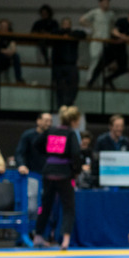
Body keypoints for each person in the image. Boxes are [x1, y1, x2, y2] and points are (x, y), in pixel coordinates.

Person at [32, 106, 83, 250]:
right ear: (73, 120)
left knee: (45, 205)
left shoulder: (51, 130)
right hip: (64, 174)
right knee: (68, 207)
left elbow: (36, 143)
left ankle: (38, 236)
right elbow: (76, 154)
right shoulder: (70, 133)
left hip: (48, 171)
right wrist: (76, 171)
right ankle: (65, 240)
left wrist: (49, 155)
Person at [89, 8, 129, 89]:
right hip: (112, 47)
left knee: (123, 68)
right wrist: (122, 36)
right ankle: (91, 81)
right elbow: (114, 31)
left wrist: (124, 38)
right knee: (101, 65)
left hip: (122, 47)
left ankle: (108, 79)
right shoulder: (122, 21)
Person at [79, 0, 114, 87]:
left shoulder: (111, 14)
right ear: (100, 3)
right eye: (104, 2)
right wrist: (91, 27)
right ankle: (89, 79)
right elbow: (82, 19)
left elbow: (113, 25)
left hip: (106, 41)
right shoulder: (95, 12)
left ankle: (101, 82)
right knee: (95, 59)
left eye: (108, 2)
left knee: (104, 62)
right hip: (96, 39)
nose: (106, 4)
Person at [51, 17, 83, 106]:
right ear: (61, 25)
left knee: (73, 87)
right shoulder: (57, 34)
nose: (66, 25)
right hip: (58, 64)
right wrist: (63, 33)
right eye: (64, 24)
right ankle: (60, 107)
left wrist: (69, 34)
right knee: (59, 87)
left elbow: (82, 34)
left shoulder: (73, 34)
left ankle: (69, 104)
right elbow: (52, 33)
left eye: (68, 24)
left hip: (71, 64)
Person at [0, 19, 27, 85]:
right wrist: (1, 51)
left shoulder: (10, 35)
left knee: (16, 56)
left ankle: (18, 79)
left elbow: (13, 48)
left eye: (5, 26)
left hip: (6, 54)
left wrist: (10, 52)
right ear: (0, 27)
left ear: (8, 27)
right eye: (2, 26)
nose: (3, 28)